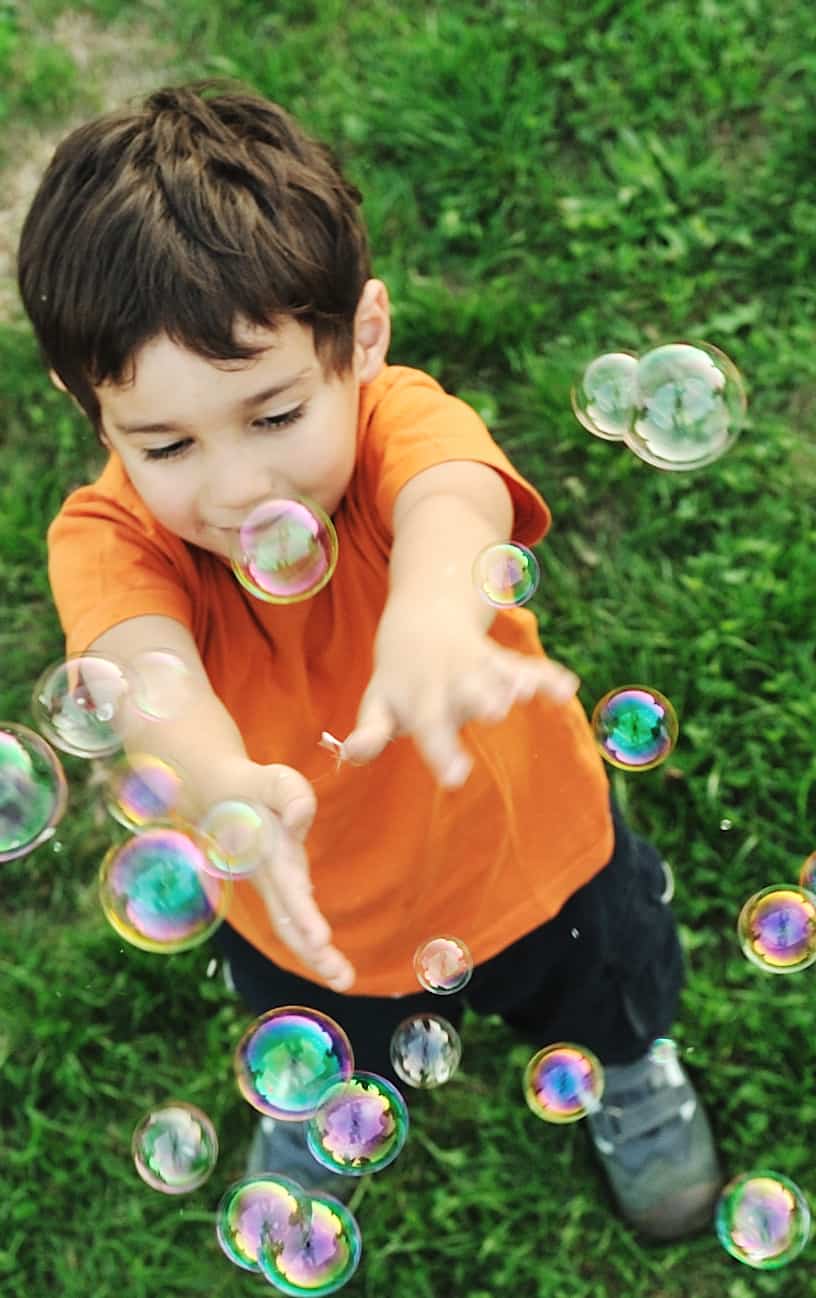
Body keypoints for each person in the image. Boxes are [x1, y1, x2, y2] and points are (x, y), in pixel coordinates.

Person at [17, 79, 723, 1241]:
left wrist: (434, 614)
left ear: (367, 341)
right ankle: (322, 1106)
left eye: (275, 415)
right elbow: (146, 674)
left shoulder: (403, 424)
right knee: (330, 1052)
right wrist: (223, 784)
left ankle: (633, 1077)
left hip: (535, 855)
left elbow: (454, 500)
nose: (240, 485)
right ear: (86, 406)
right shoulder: (110, 539)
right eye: (167, 442)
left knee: (613, 990)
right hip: (309, 925)